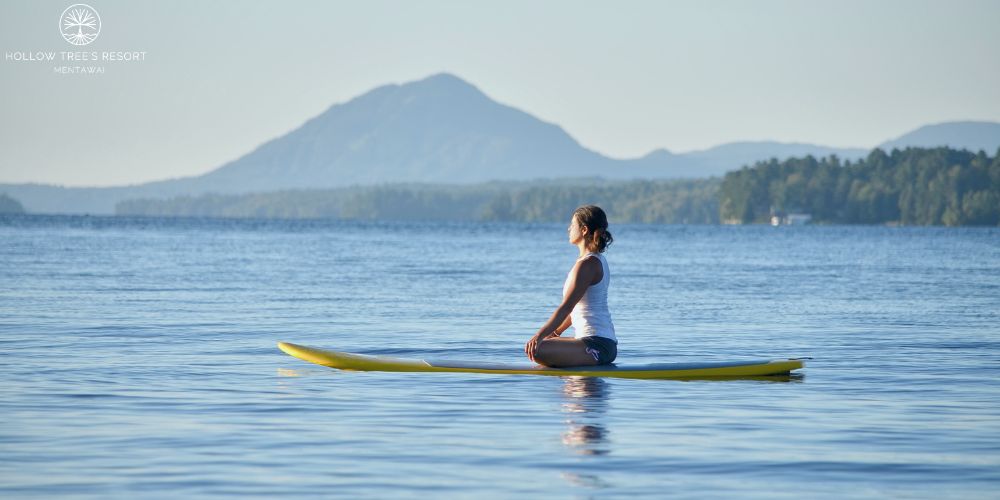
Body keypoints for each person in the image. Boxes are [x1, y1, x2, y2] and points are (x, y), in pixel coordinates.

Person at [525, 205, 617, 367]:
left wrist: (539, 335)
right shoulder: (593, 261)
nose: (568, 229)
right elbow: (576, 308)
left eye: (572, 225)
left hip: (599, 344)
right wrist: (555, 333)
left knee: (538, 349)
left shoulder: (588, 264)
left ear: (583, 230)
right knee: (542, 344)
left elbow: (566, 307)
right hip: (597, 341)